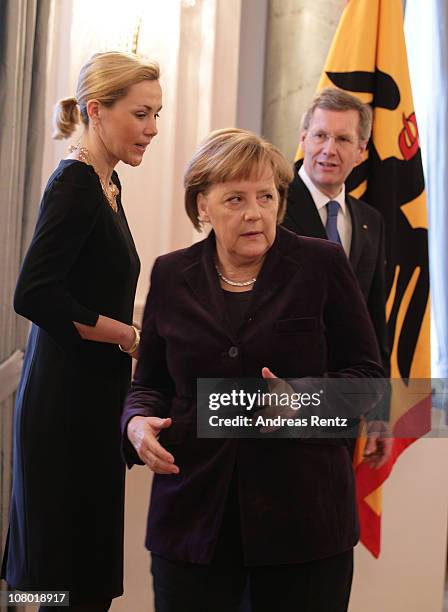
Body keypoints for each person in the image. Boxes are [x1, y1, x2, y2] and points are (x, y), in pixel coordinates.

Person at [121, 128, 384, 612]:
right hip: (193, 518)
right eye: (235, 198)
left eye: (266, 196)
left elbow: (367, 375)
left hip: (303, 523)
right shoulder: (170, 274)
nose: (254, 213)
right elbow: (150, 385)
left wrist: (303, 399)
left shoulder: (320, 264)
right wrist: (136, 425)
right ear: (202, 205)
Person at [1, 51, 162, 611]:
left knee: (82, 585)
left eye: (156, 114)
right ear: (97, 110)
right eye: (141, 114)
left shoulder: (107, 183)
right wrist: (126, 334)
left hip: (90, 402)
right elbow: (33, 294)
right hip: (64, 409)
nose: (153, 129)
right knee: (62, 585)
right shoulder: (75, 182)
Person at [283, 87, 391, 461]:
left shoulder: (370, 222)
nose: (329, 149)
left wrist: (379, 411)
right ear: (303, 139)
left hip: (344, 407)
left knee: (331, 517)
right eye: (320, 135)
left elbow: (374, 321)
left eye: (343, 139)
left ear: (361, 150)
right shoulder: (271, 206)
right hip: (280, 401)